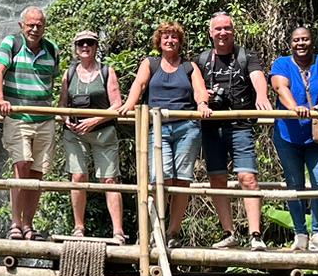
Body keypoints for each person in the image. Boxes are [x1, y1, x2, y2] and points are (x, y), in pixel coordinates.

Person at [120, 22, 208, 241]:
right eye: (166, 37)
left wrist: (202, 104)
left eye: (174, 37)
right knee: (161, 177)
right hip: (157, 127)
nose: (170, 40)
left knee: (182, 179)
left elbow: (199, 90)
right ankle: (156, 229)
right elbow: (139, 85)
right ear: (158, 42)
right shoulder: (150, 63)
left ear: (180, 42)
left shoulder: (189, 66)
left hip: (186, 128)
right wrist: (129, 104)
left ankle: (173, 232)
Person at [195, 13, 271, 251]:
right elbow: (195, 87)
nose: (223, 33)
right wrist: (203, 99)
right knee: (217, 178)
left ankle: (255, 234)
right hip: (212, 127)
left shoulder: (245, 56)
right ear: (210, 33)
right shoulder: (202, 59)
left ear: (233, 31)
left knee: (247, 177)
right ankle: (229, 233)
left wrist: (261, 96)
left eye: (227, 28)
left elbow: (257, 77)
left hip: (240, 125)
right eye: (218, 29)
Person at [269, 26, 318, 251]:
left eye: (305, 39)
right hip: (288, 135)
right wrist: (294, 107)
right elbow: (280, 87)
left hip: (317, 136)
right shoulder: (282, 63)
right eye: (296, 40)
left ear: (312, 41)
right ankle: (300, 233)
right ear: (291, 43)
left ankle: (317, 233)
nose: (301, 43)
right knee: (295, 184)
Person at [0, 7, 59, 241]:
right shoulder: (11, 43)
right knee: (22, 165)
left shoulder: (52, 49)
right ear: (22, 25)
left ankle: (29, 225)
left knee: (37, 173)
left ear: (44, 27)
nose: (34, 29)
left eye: (39, 25)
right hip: (19, 117)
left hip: (45, 119)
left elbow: (53, 81)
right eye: (30, 25)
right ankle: (15, 224)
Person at [59, 30, 125, 241]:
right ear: (76, 48)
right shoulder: (69, 73)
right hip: (75, 133)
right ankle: (79, 227)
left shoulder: (107, 71)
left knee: (109, 179)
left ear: (96, 47)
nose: (85, 46)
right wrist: (66, 119)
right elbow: (62, 104)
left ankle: (118, 231)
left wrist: (94, 121)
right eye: (81, 43)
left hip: (103, 132)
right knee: (78, 176)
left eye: (90, 43)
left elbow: (117, 104)